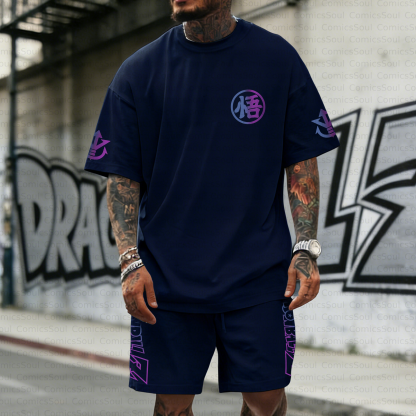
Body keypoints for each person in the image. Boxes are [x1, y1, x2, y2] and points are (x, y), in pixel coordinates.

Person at [84, 0, 340, 414]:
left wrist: (305, 247)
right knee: (172, 404)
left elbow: (301, 161)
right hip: (167, 279)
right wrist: (129, 261)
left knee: (265, 400)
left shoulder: (276, 59)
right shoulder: (138, 72)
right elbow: (121, 177)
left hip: (258, 274)